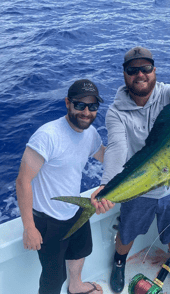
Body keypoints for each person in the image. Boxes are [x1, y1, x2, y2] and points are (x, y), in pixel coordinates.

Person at [99, 47, 170, 294]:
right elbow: (117, 148)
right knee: (126, 233)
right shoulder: (116, 112)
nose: (140, 74)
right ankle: (119, 263)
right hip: (138, 190)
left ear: (155, 70)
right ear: (124, 74)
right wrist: (106, 184)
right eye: (133, 70)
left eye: (146, 68)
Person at [16, 79, 113, 294]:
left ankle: (76, 286)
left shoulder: (90, 134)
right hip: (48, 219)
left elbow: (106, 157)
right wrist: (29, 227)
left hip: (76, 208)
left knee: (80, 252)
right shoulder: (47, 136)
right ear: (68, 103)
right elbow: (23, 181)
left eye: (93, 106)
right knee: (54, 276)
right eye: (80, 105)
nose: (86, 112)